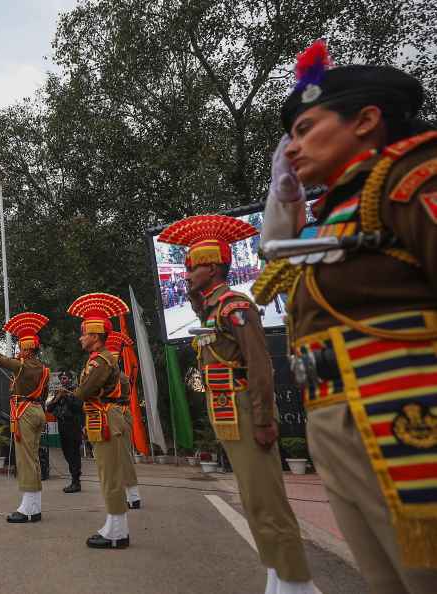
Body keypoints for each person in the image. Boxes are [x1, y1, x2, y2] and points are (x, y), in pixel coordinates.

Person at [254, 39, 437, 592]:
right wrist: (284, 204)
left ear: (365, 120)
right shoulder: (337, 208)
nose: (293, 148)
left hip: (407, 416)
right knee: (387, 580)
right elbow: (272, 276)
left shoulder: (412, 177)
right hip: (342, 420)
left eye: (306, 128)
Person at [159, 214, 314, 592]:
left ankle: (296, 582)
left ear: (212, 267)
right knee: (252, 497)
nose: (187, 273)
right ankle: (277, 575)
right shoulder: (213, 308)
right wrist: (196, 295)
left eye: (192, 267)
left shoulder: (234, 306)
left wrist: (263, 418)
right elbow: (204, 316)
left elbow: (260, 364)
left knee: (267, 500)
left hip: (247, 411)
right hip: (230, 412)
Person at [63, 293, 131, 549]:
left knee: (110, 474)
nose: (80, 338)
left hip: (105, 418)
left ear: (94, 335)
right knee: (107, 473)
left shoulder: (100, 360)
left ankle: (118, 531)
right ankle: (115, 526)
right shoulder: (98, 359)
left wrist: (70, 397)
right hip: (100, 417)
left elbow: (85, 390)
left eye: (83, 333)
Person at [0, 312, 51, 523]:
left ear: (27, 349)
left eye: (20, 348)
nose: (18, 351)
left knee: (25, 460)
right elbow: (43, 394)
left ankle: (28, 508)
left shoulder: (23, 366)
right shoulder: (44, 369)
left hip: (24, 412)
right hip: (37, 410)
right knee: (32, 458)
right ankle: (34, 504)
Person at [105, 332, 143, 510]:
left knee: (120, 457)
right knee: (123, 455)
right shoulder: (123, 377)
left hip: (116, 414)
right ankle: (132, 495)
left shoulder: (114, 376)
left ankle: (131, 496)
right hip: (123, 413)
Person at [49, 372, 83, 493]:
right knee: (67, 454)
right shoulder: (58, 393)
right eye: (61, 379)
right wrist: (58, 397)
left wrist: (67, 396)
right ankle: (74, 479)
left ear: (70, 379)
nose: (62, 381)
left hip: (73, 426)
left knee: (74, 454)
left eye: (65, 378)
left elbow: (78, 407)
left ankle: (76, 481)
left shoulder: (76, 391)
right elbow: (49, 408)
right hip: (62, 427)